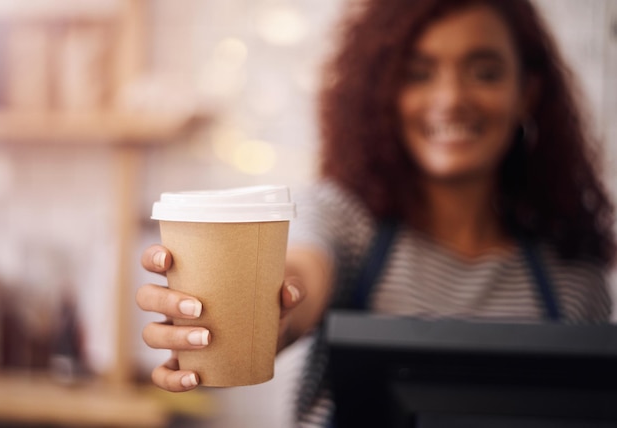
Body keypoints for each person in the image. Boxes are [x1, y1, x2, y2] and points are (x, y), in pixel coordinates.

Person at [136, 0, 616, 425]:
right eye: (419, 73)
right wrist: (245, 315)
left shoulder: (574, 276)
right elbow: (300, 276)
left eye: (484, 72)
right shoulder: (349, 224)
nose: (451, 99)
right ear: (383, 93)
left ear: (527, 93)